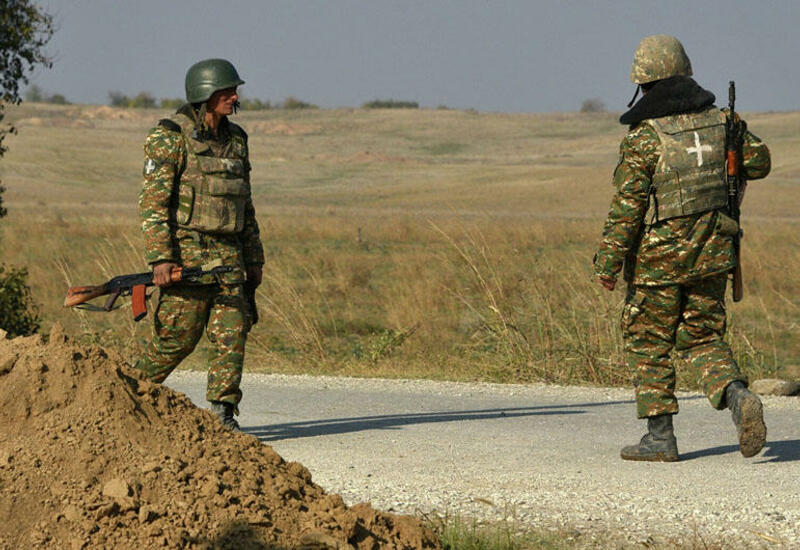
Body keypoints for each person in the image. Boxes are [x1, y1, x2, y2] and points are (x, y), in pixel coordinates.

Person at [593, 35, 771, 462]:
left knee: (648, 339)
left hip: (656, 264)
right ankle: (738, 396)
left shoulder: (644, 138)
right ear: (685, 72)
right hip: (713, 253)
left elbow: (627, 209)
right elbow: (760, 162)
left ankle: (660, 438)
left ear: (643, 83)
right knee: (703, 336)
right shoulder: (723, 122)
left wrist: (608, 263)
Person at [135, 58, 264, 432]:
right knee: (177, 339)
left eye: (234, 91)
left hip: (230, 258)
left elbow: (245, 204)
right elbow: (153, 204)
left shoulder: (237, 140)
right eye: (227, 91)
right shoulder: (170, 137)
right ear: (205, 93)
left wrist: (254, 258)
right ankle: (124, 394)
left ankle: (223, 414)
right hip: (186, 257)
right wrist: (160, 257)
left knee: (231, 334)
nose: (234, 97)